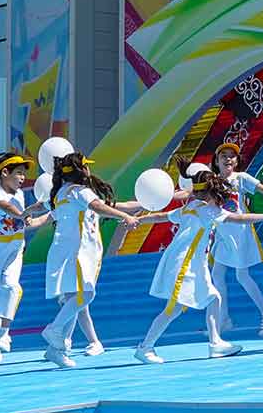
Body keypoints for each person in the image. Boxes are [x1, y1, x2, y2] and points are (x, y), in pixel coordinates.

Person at [139, 164, 263, 363]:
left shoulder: (190, 207)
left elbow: (161, 216)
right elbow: (239, 218)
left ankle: (215, 343)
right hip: (185, 265)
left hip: (192, 265)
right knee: (173, 309)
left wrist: (137, 220)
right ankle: (145, 347)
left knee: (214, 298)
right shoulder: (208, 211)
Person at [40, 153, 166, 368]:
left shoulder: (62, 193)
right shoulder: (80, 191)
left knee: (74, 299)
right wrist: (125, 217)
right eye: (86, 166)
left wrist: (145, 204)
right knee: (86, 295)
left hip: (68, 252)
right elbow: (99, 207)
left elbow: (111, 205)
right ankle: (55, 329)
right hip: (78, 252)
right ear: (81, 170)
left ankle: (56, 349)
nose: (89, 170)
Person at [202, 143, 263, 338]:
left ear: (236, 161)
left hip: (240, 232)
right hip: (222, 234)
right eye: (223, 155)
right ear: (216, 161)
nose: (228, 159)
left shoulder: (240, 178)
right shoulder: (212, 182)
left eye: (232, 156)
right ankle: (224, 319)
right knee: (217, 274)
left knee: (242, 275)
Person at [0, 153, 47, 371]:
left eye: (23, 174)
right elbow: (8, 209)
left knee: (12, 287)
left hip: (16, 247)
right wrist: (26, 212)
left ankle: (4, 332)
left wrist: (52, 213)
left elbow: (27, 222)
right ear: (4, 173)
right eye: (18, 173)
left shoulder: (20, 195)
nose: (22, 178)